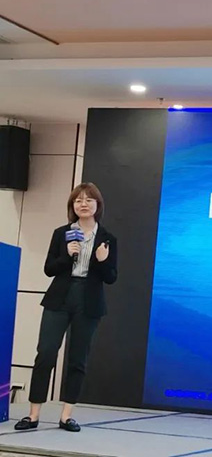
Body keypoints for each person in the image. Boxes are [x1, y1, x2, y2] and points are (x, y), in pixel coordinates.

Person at [15, 183, 117, 433]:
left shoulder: (107, 238)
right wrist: (66, 256)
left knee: (78, 358)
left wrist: (102, 261)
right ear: (72, 206)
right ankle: (33, 415)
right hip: (60, 297)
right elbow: (49, 269)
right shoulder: (62, 233)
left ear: (97, 205)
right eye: (78, 200)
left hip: (89, 301)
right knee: (46, 353)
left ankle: (66, 415)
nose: (83, 204)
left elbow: (111, 277)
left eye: (89, 200)